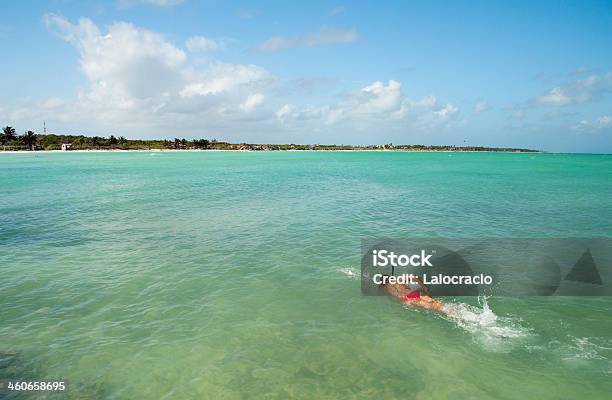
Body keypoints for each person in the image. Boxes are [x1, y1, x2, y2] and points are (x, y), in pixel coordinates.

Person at [380, 274, 445, 312]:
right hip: (414, 293)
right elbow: (415, 277)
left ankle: (449, 311)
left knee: (433, 308)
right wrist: (424, 287)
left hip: (408, 300)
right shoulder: (397, 279)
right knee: (436, 305)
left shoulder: (386, 288)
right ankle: (451, 310)